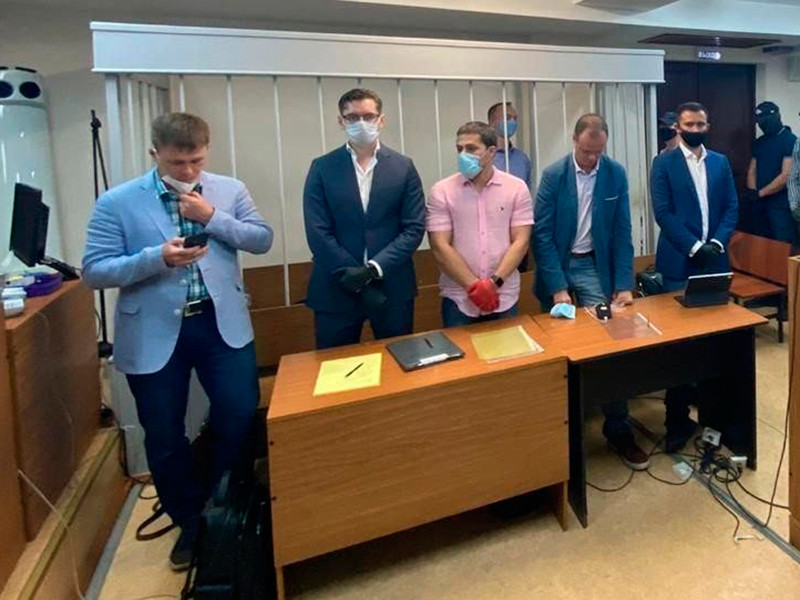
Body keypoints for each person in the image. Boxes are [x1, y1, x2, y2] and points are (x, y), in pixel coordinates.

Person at [82, 113, 273, 570]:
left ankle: (225, 508)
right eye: (176, 162)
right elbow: (94, 271)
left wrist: (212, 217)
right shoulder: (117, 202)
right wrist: (157, 258)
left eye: (196, 161)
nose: (187, 171)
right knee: (165, 433)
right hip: (153, 331)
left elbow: (261, 240)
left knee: (238, 415)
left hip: (221, 324)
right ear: (155, 154)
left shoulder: (228, 189)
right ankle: (189, 521)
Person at [532, 113, 643, 469]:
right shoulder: (554, 175)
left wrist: (624, 284)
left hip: (595, 265)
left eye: (598, 152)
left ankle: (618, 428)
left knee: (609, 345)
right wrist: (557, 287)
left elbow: (623, 231)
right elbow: (541, 234)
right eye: (585, 152)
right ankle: (560, 431)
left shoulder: (615, 173)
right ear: (574, 142)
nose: (592, 159)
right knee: (559, 350)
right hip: (560, 263)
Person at [303, 88, 426, 349]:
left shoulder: (403, 167)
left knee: (399, 361)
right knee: (336, 367)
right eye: (352, 117)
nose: (361, 123)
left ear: (381, 120)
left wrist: (373, 269)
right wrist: (354, 275)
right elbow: (317, 231)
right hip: (336, 287)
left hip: (392, 287)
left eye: (368, 116)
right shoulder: (322, 167)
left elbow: (414, 228)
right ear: (341, 121)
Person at [650, 101, 738, 452]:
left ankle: (714, 416)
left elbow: (731, 206)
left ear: (708, 126)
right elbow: (663, 212)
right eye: (689, 124)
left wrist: (715, 243)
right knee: (681, 349)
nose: (696, 129)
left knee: (714, 344)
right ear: (678, 127)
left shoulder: (720, 162)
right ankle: (676, 421)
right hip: (679, 263)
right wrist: (693, 246)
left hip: (715, 261)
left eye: (701, 124)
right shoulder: (663, 163)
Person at [427, 121, 533, 327]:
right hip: (458, 297)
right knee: (459, 348)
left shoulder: (516, 188)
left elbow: (521, 241)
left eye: (471, 148)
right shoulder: (442, 191)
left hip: (504, 295)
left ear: (491, 152)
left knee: (508, 347)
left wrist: (494, 283)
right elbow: (440, 245)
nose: (463, 155)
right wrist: (474, 286)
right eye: (459, 149)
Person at [746, 101, 798, 244]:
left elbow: (786, 176)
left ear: (776, 117)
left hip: (781, 205)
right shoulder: (760, 142)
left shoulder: (791, 141)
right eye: (760, 121)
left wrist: (760, 194)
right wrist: (753, 192)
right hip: (760, 204)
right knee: (761, 242)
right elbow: (752, 169)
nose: (762, 124)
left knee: (783, 244)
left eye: (765, 120)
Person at [487, 102, 532, 189]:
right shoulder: (484, 157)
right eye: (507, 118)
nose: (513, 122)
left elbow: (527, 191)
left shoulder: (522, 158)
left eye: (515, 119)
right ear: (492, 122)